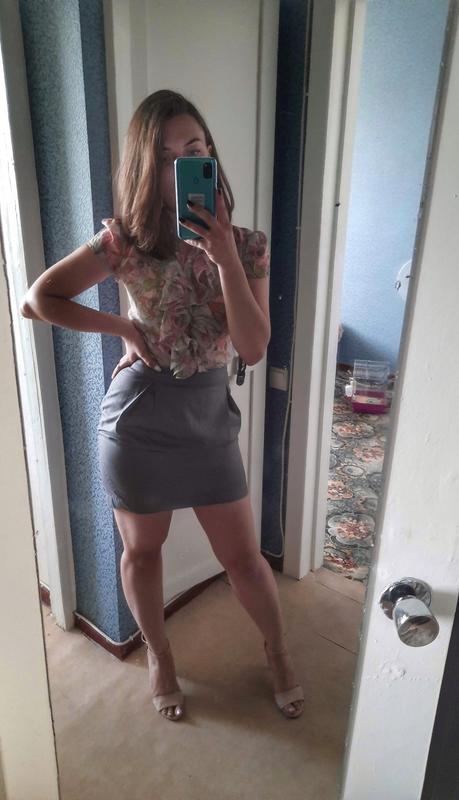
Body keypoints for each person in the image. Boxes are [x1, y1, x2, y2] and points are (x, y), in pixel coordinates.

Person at [20, 89, 304, 722]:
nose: (182, 166)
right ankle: (160, 655)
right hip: (139, 421)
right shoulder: (123, 243)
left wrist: (224, 256)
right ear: (147, 169)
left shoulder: (249, 246)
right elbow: (39, 299)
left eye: (193, 149)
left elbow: (253, 348)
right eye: (167, 157)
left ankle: (278, 650)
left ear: (211, 155)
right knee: (142, 553)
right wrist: (124, 329)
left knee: (243, 559)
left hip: (208, 421)